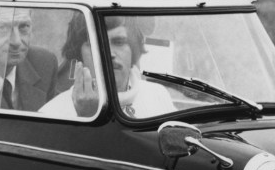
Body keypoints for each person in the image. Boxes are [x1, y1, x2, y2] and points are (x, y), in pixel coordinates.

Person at [40, 15, 174, 119]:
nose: (109, 54)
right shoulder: (52, 113)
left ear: (134, 49)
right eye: (97, 44)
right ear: (79, 54)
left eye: (119, 42)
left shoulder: (158, 95)